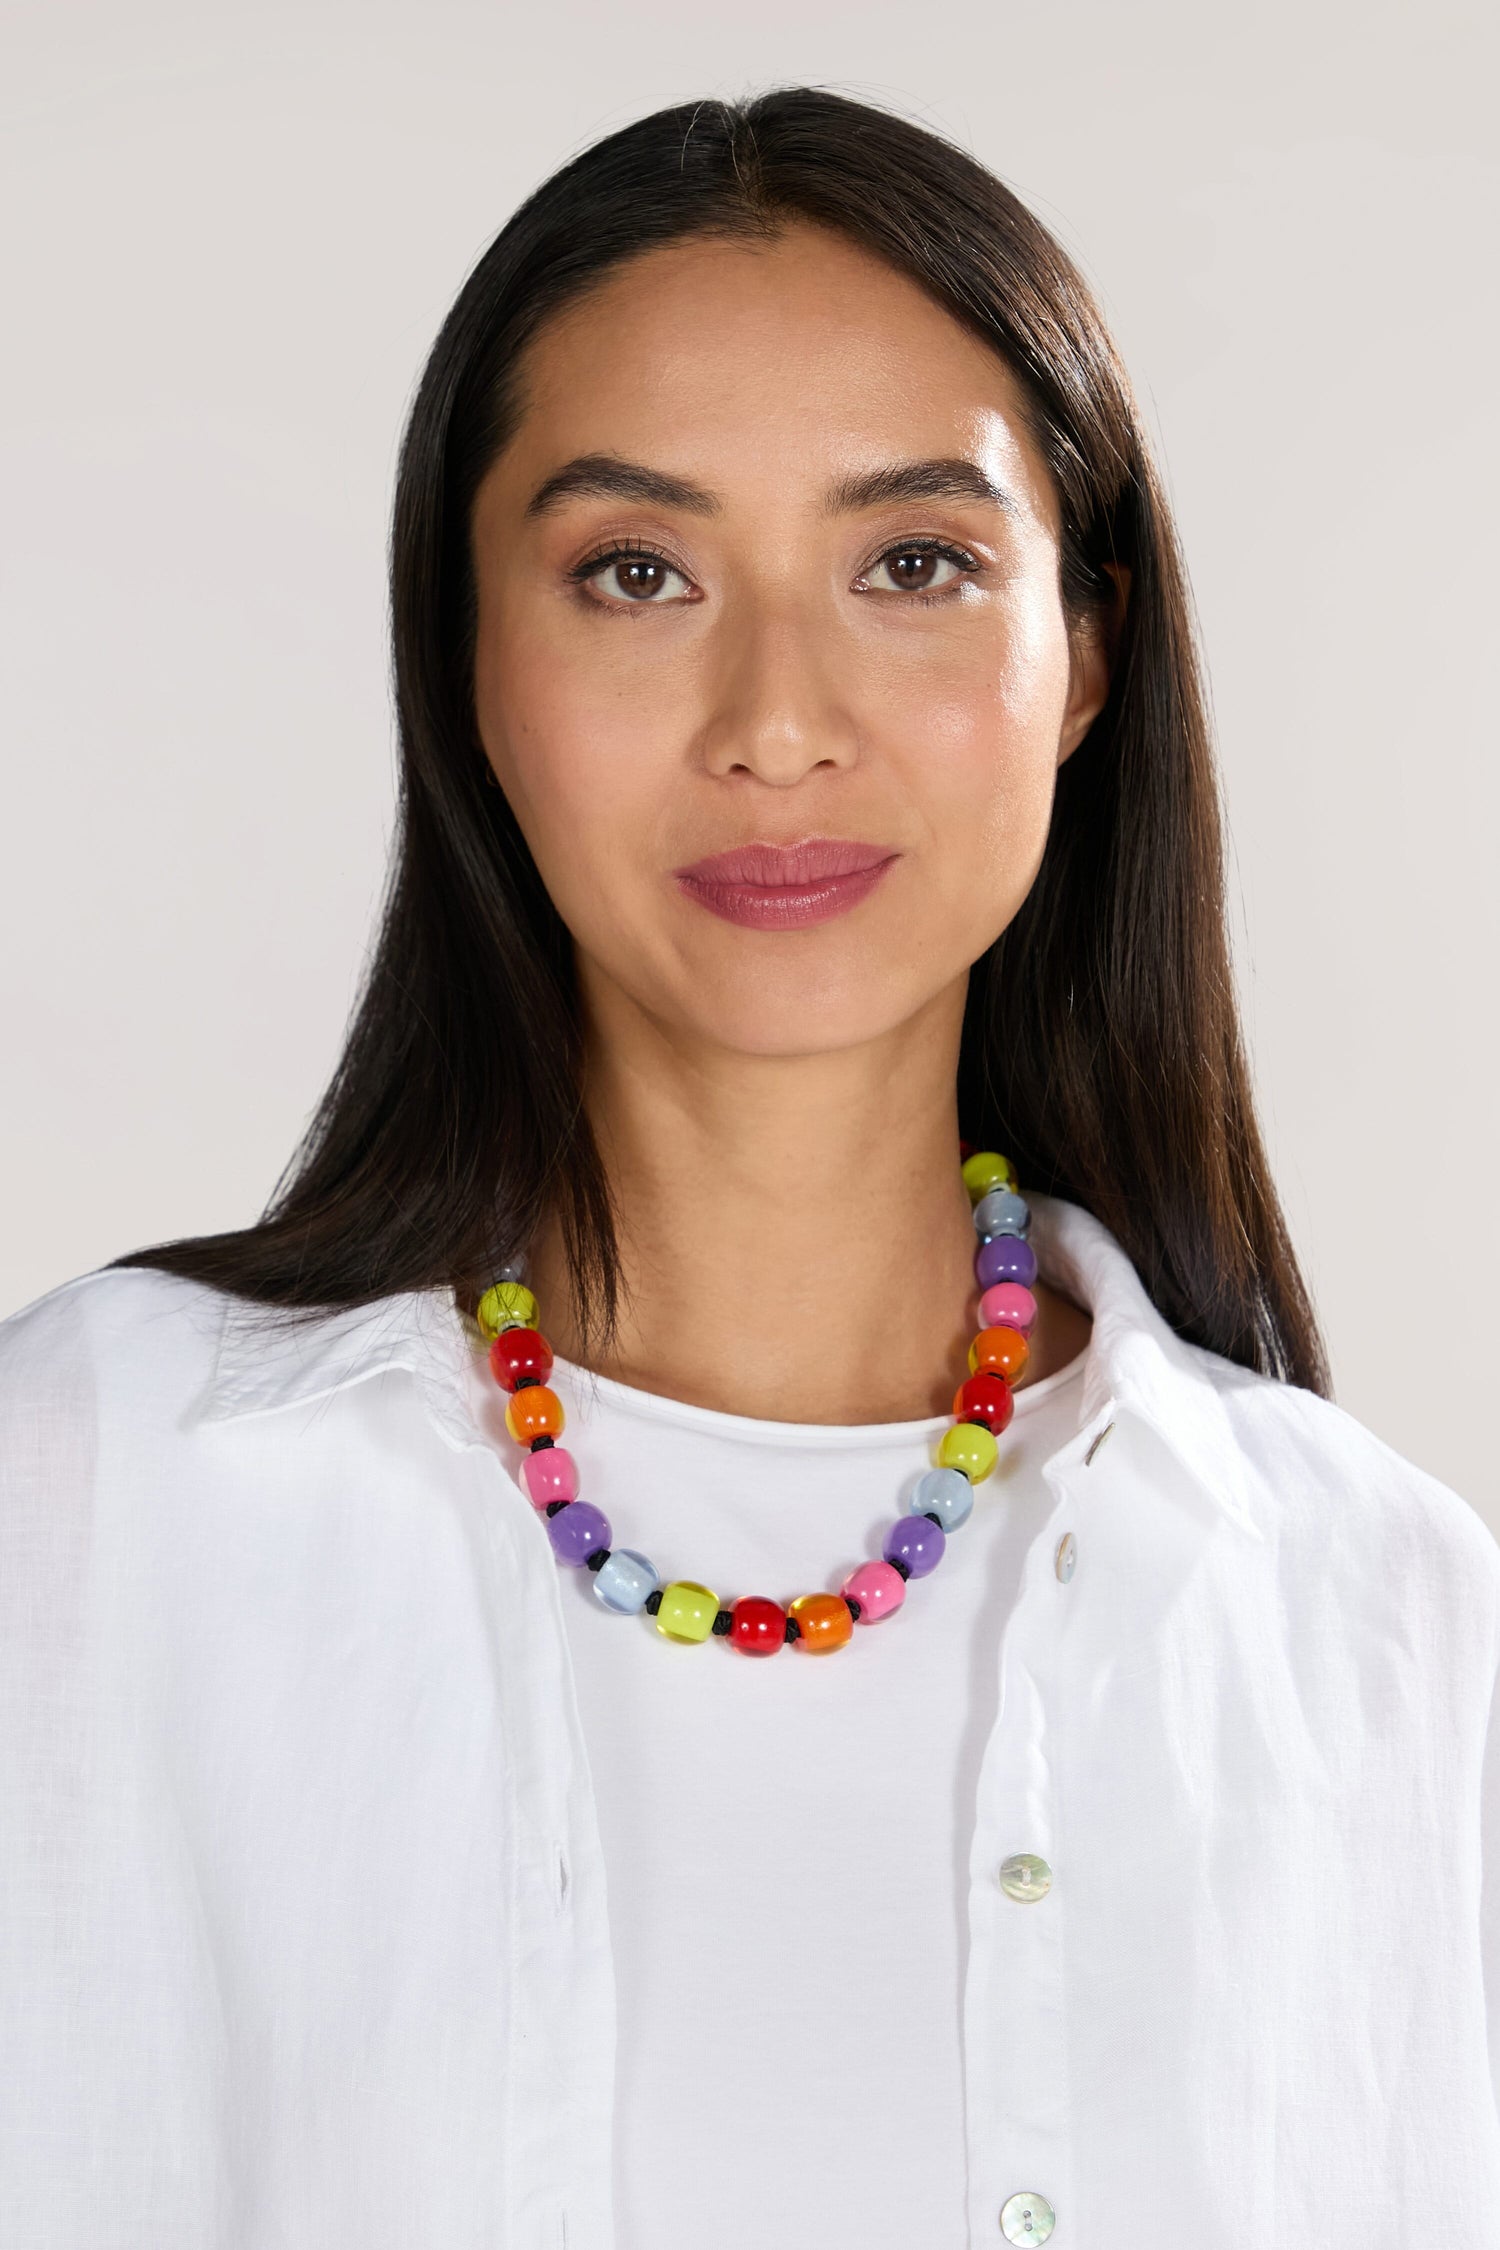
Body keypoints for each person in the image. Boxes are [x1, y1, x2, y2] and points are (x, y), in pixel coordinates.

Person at [1, 86, 1496, 2250]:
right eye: (637, 572)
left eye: (915, 563)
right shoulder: (92, 1491)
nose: (777, 719)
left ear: (1085, 650)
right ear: (469, 667)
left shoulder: (1369, 1602)